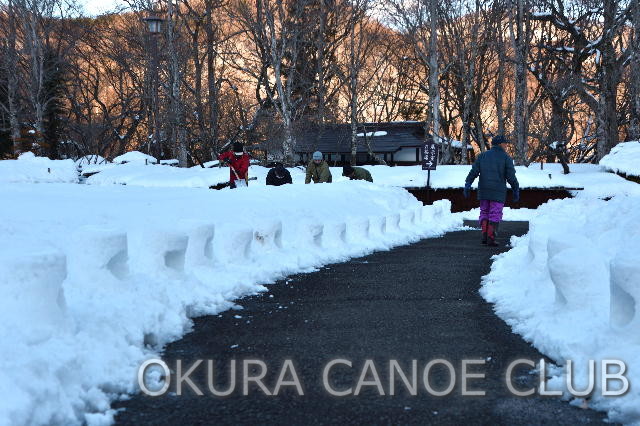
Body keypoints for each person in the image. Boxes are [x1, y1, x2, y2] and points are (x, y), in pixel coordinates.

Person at [464, 135, 520, 246]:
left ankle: (485, 236)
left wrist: (468, 184)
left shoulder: (482, 156)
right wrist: (515, 189)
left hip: (483, 191)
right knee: (495, 213)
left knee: (484, 212)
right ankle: (491, 237)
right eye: (505, 143)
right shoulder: (506, 158)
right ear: (500, 144)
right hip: (498, 192)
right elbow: (511, 177)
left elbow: (473, 172)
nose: (506, 145)